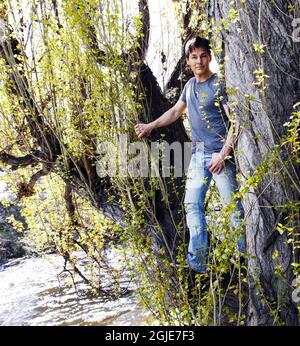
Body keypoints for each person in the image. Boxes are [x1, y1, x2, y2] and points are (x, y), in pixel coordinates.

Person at [135, 36, 245, 273]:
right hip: (198, 157)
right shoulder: (189, 87)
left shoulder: (219, 85)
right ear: (187, 61)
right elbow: (175, 112)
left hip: (219, 157)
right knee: (192, 206)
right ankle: (199, 265)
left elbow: (235, 121)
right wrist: (150, 126)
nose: (199, 61)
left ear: (210, 57)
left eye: (203, 55)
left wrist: (224, 153)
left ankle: (245, 261)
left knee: (233, 211)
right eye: (194, 57)